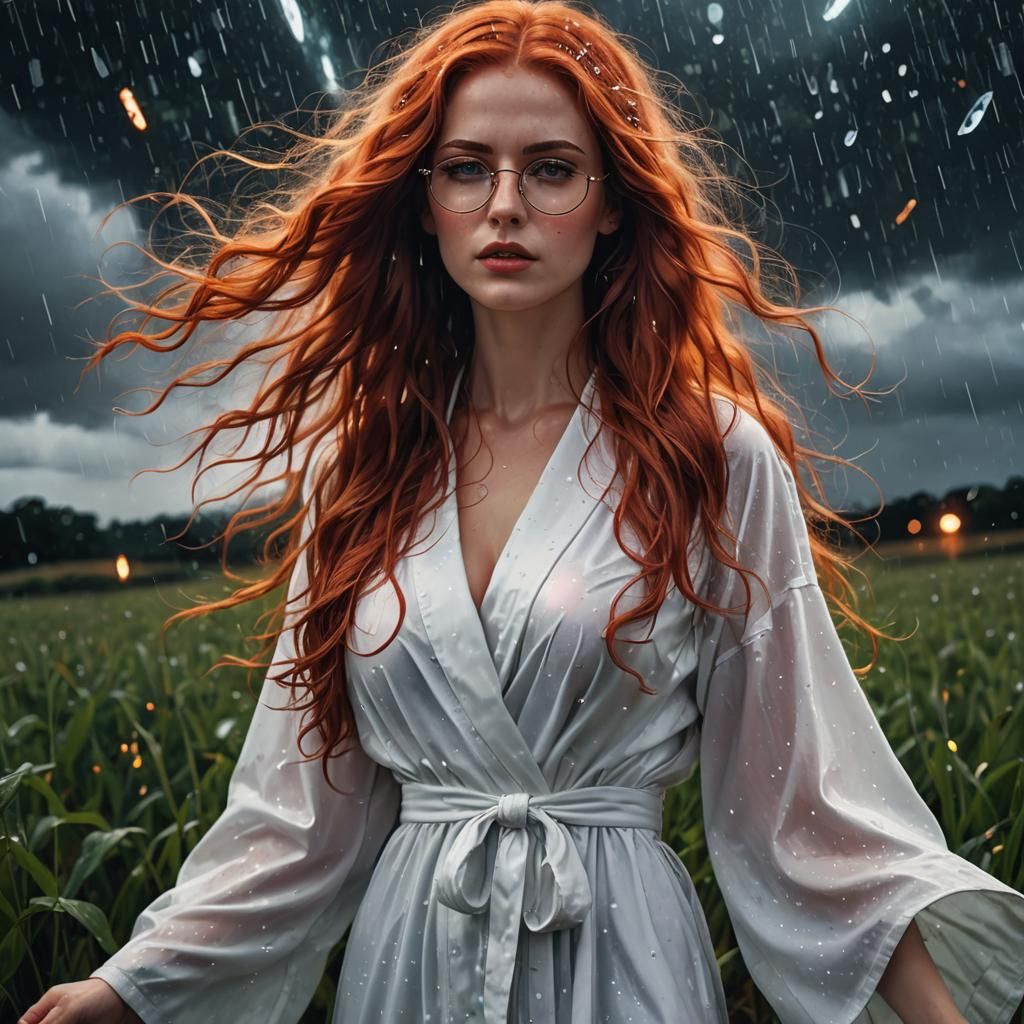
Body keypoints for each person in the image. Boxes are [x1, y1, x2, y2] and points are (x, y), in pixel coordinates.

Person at [18, 1, 1024, 1022]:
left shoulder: (710, 457)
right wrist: (126, 986)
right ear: (423, 202)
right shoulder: (361, 471)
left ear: (612, 202)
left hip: (624, 962)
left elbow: (801, 811)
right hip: (410, 964)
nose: (504, 205)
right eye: (465, 168)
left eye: (549, 169)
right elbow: (295, 824)